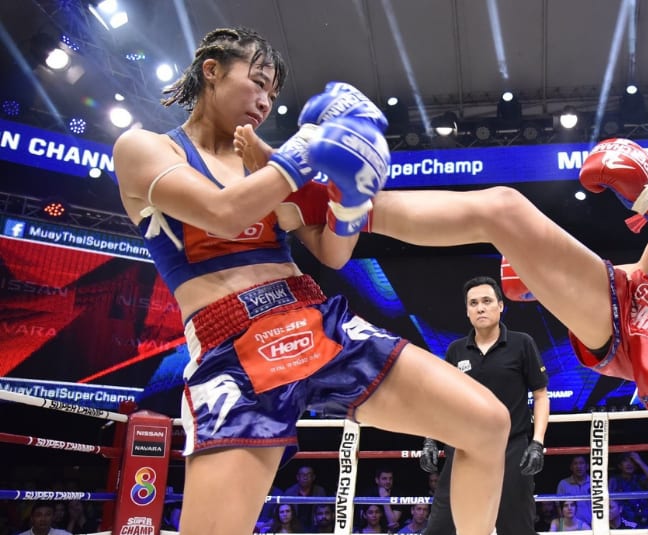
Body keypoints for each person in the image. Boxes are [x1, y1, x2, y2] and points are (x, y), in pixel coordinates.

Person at [358, 52, 648, 535]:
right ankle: (350, 206)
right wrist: (549, 282)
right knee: (503, 208)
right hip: (642, 299)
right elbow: (645, 269)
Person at [111, 26, 510, 535]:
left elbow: (333, 252)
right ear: (211, 71)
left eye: (273, 94)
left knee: (488, 424)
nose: (265, 102)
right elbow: (223, 213)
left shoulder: (268, 162)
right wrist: (307, 152)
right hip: (232, 343)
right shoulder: (144, 148)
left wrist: (348, 195)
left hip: (315, 318)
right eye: (257, 83)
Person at [418, 276, 550, 535]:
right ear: (467, 311)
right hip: (463, 448)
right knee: (441, 525)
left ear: (501, 306)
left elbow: (541, 395)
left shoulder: (522, 343)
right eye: (474, 303)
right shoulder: (456, 351)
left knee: (517, 527)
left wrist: (537, 443)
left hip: (511, 448)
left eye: (487, 301)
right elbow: (442, 401)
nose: (480, 308)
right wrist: (430, 439)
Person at [609, 452, 648, 528]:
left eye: (632, 461)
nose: (629, 464)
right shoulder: (614, 480)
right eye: (625, 461)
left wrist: (640, 461)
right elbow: (609, 502)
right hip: (624, 524)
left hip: (644, 523)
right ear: (619, 465)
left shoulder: (641, 479)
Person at [284, 466, 326, 530]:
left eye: (308, 474)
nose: (305, 477)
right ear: (297, 477)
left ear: (313, 477)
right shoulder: (290, 492)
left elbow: (324, 511)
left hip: (315, 528)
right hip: (293, 528)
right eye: (302, 474)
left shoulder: (320, 491)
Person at [555, 455, 592, 524]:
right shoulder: (563, 484)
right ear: (571, 467)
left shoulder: (594, 482)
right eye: (575, 463)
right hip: (571, 526)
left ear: (587, 466)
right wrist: (565, 526)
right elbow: (559, 506)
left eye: (581, 463)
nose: (578, 466)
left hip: (593, 525)